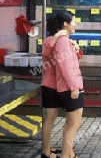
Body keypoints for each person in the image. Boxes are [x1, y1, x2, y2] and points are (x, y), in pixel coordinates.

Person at [52, 11, 84, 158]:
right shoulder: (63, 41)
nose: (75, 24)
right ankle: (66, 155)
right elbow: (66, 67)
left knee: (69, 124)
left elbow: (72, 60)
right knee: (73, 125)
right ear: (65, 24)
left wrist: (75, 46)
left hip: (68, 86)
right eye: (74, 21)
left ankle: (70, 154)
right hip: (70, 86)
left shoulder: (64, 40)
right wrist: (74, 87)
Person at [40, 16, 62, 158]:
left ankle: (47, 146)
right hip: (50, 85)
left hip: (58, 84)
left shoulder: (61, 40)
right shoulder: (49, 40)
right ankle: (45, 151)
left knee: (53, 118)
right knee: (49, 118)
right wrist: (58, 36)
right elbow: (47, 52)